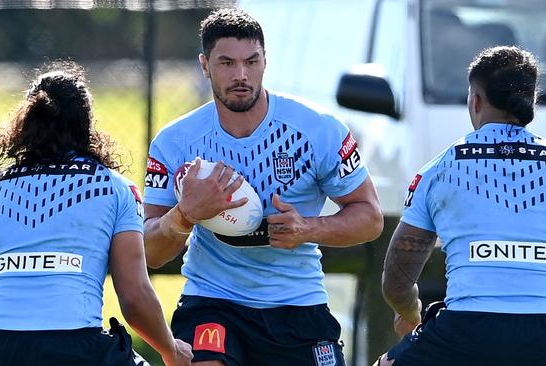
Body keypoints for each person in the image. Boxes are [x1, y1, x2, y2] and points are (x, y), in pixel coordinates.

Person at [142, 8, 384, 366]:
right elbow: (149, 252)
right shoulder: (175, 143)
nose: (241, 75)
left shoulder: (318, 129)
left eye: (251, 61)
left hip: (297, 304)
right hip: (214, 300)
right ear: (204, 65)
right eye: (226, 63)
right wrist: (185, 215)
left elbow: (371, 218)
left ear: (265, 62)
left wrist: (308, 228)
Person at [0, 61, 193, 366]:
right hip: (77, 346)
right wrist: (171, 350)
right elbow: (134, 298)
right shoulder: (114, 188)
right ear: (87, 123)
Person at [376, 46, 546, 366]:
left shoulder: (441, 169)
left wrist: (410, 315)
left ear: (475, 101)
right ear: (531, 103)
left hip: (465, 331)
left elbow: (397, 279)